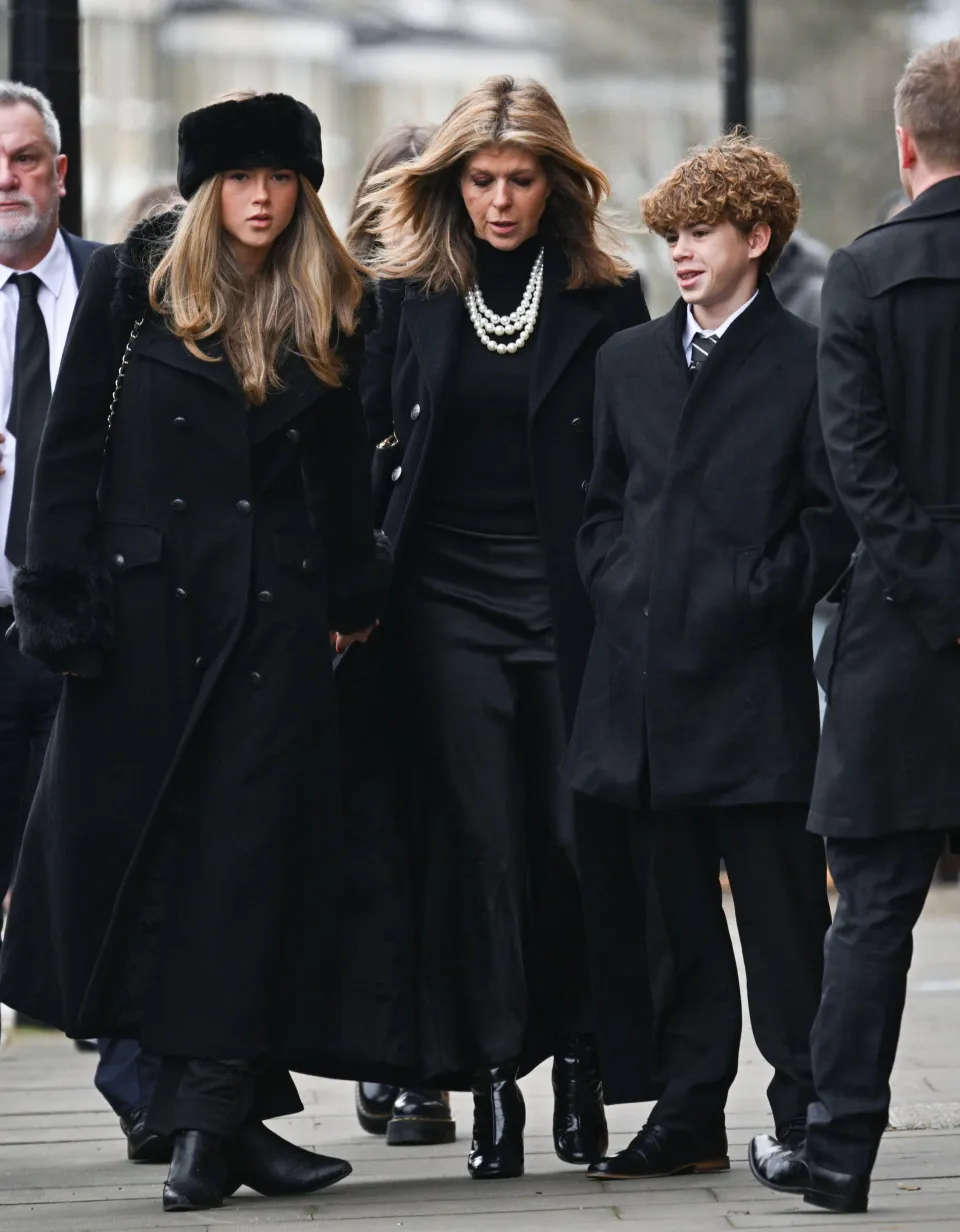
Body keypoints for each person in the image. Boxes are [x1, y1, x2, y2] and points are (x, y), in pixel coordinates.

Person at [0, 90, 389, 1213]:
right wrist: (58, 597)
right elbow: (69, 442)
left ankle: (206, 1133)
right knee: (160, 868)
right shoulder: (138, 281)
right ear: (205, 187)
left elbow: (341, 474)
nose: (261, 200)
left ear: (305, 187)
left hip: (273, 624)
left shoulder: (332, 295)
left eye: (281, 179)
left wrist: (350, 591)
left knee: (245, 867)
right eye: (240, 179)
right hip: (144, 620)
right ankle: (231, 1128)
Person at [340, 74, 650, 1179]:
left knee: (569, 842)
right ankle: (487, 1087)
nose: (502, 201)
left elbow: (638, 463)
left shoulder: (606, 293)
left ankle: (577, 1057)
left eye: (522, 180)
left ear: (556, 183)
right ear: (453, 182)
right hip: (443, 604)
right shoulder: (409, 291)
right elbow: (363, 446)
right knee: (476, 850)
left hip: (567, 601)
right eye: (482, 180)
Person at [565, 134, 854, 1183]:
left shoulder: (810, 359)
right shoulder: (627, 361)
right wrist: (619, 578)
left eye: (700, 234)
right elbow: (601, 509)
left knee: (783, 922)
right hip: (636, 694)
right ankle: (686, 1114)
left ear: (757, 237)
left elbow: (831, 522)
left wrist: (749, 593)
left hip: (748, 690)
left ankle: (811, 1109)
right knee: (671, 922)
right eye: (672, 236)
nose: (680, 254)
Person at [749, 36, 960, 1216]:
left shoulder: (863, 280)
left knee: (874, 903)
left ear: (902, 143)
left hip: (898, 631)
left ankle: (837, 1151)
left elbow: (858, 477)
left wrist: (938, 592)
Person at [342, 121, 444, 1147]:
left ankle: (419, 1063)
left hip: (444, 599)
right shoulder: (342, 312)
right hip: (360, 613)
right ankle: (395, 1056)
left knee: (434, 839)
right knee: (377, 845)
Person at [0, 81, 100, 1062]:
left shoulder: (120, 290)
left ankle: (150, 1094)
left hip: (86, 636)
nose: (6, 177)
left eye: (26, 158)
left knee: (100, 867)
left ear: (59, 172)